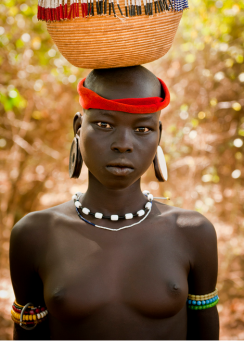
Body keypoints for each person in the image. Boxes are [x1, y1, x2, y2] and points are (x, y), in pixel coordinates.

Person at [9, 65, 219, 340]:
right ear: (78, 128)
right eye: (104, 125)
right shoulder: (34, 234)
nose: (123, 144)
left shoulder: (193, 233)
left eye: (142, 128)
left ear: (159, 135)